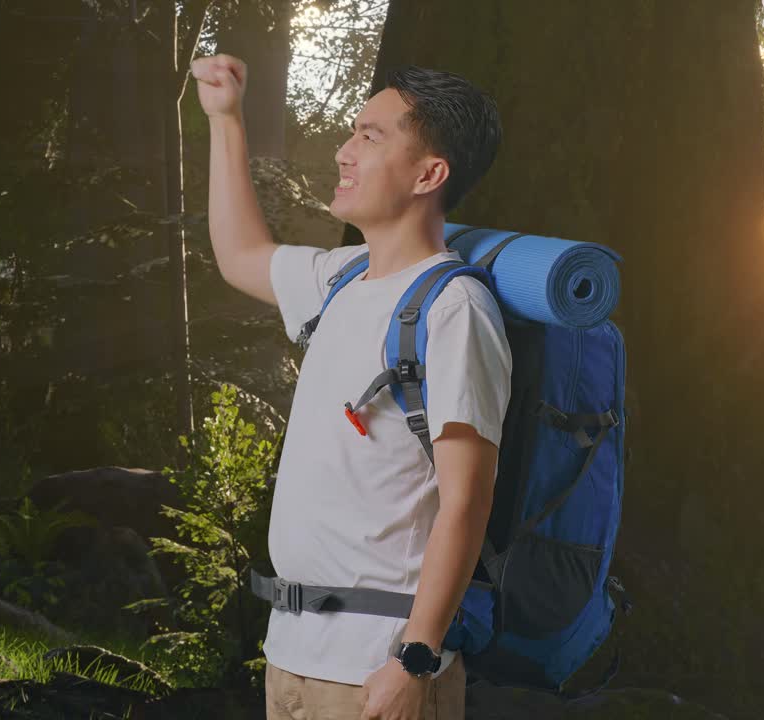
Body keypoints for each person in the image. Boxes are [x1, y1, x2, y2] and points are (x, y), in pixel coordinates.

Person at [190, 52, 511, 720]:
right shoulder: (340, 278)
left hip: (375, 670)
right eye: (352, 132)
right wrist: (225, 118)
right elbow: (240, 256)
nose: (344, 151)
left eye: (370, 136)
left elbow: (467, 502)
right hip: (292, 658)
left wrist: (415, 660)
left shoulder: (454, 310)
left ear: (429, 174)